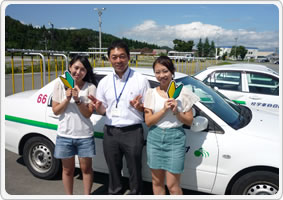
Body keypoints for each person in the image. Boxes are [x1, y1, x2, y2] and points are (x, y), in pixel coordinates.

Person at [88, 40, 150, 195]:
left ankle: (136, 194)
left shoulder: (140, 79)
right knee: (113, 170)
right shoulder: (104, 82)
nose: (118, 60)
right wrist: (98, 107)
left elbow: (148, 109)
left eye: (122, 56)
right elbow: (103, 110)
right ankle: (115, 193)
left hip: (133, 132)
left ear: (128, 57)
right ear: (109, 59)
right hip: (111, 132)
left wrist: (139, 107)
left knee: (135, 170)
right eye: (114, 57)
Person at [143, 56, 199, 195]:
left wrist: (177, 112)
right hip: (154, 138)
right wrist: (163, 110)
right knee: (156, 182)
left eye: (165, 71)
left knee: (173, 185)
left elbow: (189, 121)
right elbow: (148, 121)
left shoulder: (183, 92)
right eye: (157, 72)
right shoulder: (151, 93)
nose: (161, 75)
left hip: (175, 139)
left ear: (172, 71)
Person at [52, 55, 97, 195]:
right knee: (67, 170)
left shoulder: (91, 87)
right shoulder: (60, 84)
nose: (78, 72)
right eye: (76, 68)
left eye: (83, 69)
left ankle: (86, 196)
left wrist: (77, 100)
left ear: (86, 72)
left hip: (84, 136)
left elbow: (88, 114)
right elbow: (56, 110)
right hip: (65, 135)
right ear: (70, 67)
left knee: (86, 170)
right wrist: (67, 98)